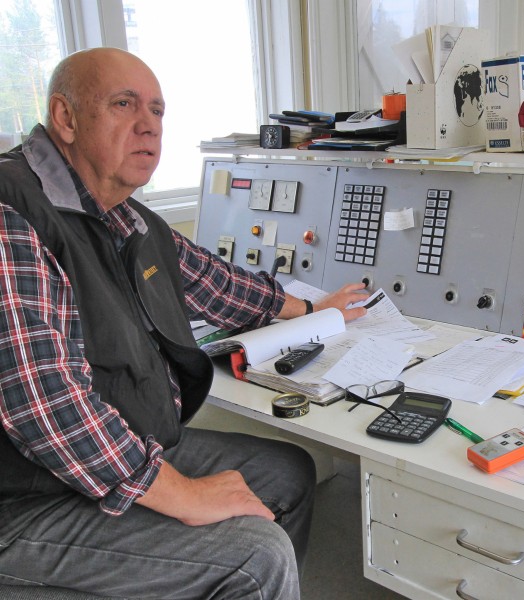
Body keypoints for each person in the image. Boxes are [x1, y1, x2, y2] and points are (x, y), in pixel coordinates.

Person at [0, 47, 368, 599]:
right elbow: (41, 399)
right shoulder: (11, 210)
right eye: (124, 104)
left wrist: (317, 311)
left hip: (125, 445)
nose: (148, 126)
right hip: (26, 498)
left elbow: (216, 284)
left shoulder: (124, 215)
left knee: (287, 473)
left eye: (157, 110)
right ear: (66, 118)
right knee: (254, 556)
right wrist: (183, 495)